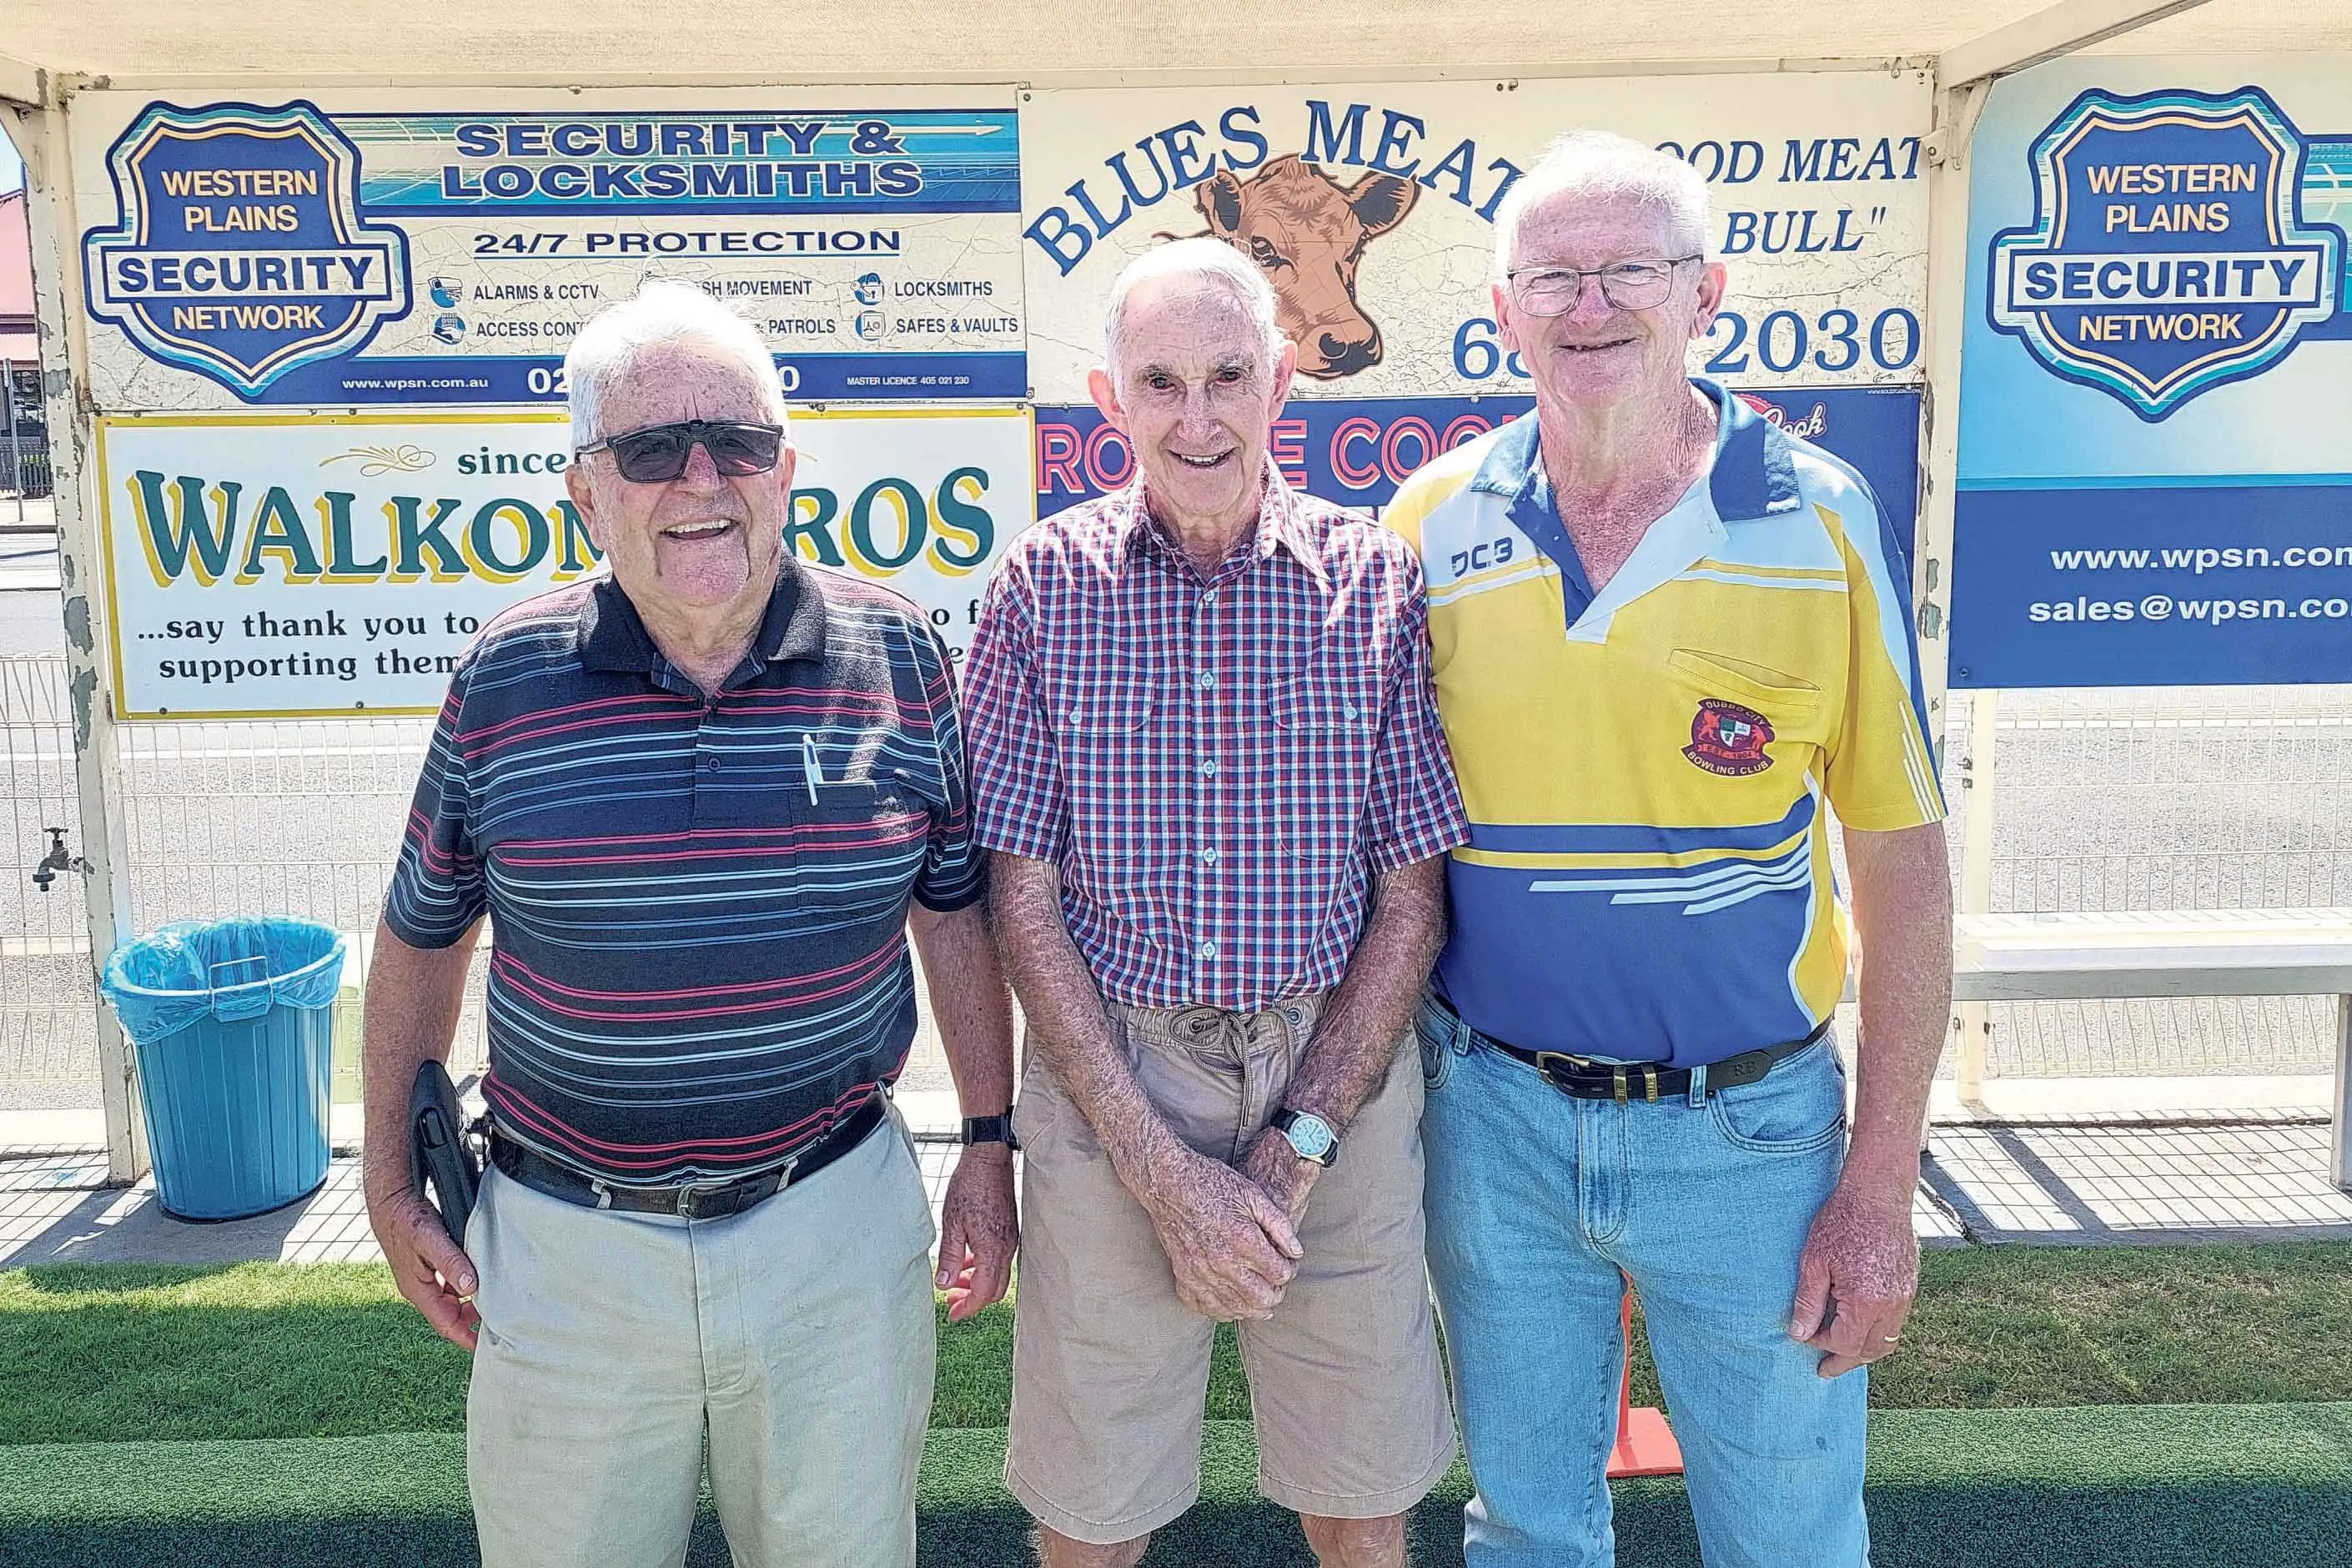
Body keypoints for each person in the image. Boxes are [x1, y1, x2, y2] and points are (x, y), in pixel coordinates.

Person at [359, 279, 1018, 1568]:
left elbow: (957, 922)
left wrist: (990, 1146)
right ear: (585, 491)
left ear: (788, 468)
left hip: (830, 1225)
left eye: (740, 441)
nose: (701, 477)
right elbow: (423, 939)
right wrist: (387, 1180)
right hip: (564, 1247)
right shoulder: (506, 678)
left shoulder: (900, 655)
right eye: (651, 449)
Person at [1384, 132, 1954, 1565]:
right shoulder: (1430, 522)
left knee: (1789, 1538)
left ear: (1708, 294)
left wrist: (1879, 1188)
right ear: (1504, 310)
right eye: (1554, 277)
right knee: (1527, 1530)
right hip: (1494, 1123)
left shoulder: (1820, 520)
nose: (1590, 306)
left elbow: (1902, 863)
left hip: (1752, 1140)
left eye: (1629, 270)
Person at [960, 239, 1468, 1568]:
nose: (1198, 416)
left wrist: (1295, 1145)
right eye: (1162, 380)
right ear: (1108, 396)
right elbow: (1020, 899)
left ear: (1283, 382)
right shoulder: (1037, 589)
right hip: (1112, 1060)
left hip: (1334, 1077)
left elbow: (1411, 899)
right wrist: (1157, 1167)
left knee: (1362, 1505)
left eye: (1229, 375)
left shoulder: (1377, 581)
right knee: (1092, 1518)